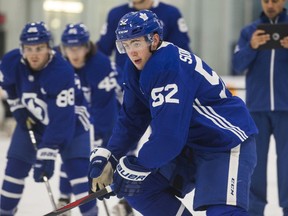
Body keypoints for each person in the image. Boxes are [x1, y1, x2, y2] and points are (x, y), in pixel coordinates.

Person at [88, 10, 258, 216]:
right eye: (125, 45)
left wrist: (140, 166)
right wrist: (111, 156)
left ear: (155, 40)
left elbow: (169, 137)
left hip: (224, 141)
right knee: (140, 189)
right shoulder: (136, 69)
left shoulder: (166, 65)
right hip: (190, 143)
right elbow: (133, 119)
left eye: (136, 43)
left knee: (222, 213)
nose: (131, 52)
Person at [0, 21, 97, 215]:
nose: (34, 54)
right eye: (28, 48)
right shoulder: (11, 61)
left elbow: (61, 120)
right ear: (22, 49)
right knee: (14, 171)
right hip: (33, 121)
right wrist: (17, 107)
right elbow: (8, 84)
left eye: (39, 48)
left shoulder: (61, 71)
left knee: (78, 176)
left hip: (72, 122)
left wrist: (47, 152)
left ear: (49, 48)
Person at [56, 23, 122, 212]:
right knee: (70, 150)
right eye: (70, 48)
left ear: (87, 47)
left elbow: (105, 110)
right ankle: (63, 197)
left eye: (78, 48)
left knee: (114, 154)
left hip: (116, 108)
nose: (74, 53)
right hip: (83, 110)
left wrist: (101, 144)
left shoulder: (100, 65)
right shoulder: (57, 62)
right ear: (63, 48)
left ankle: (125, 201)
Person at [232, 0, 288, 215]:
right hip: (257, 108)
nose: (270, 5)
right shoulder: (249, 31)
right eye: (266, 0)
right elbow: (237, 64)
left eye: (274, 0)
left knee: (287, 164)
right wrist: (251, 47)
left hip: (286, 108)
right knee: (254, 163)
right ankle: (254, 210)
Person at [97, 0, 191, 70]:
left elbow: (182, 51)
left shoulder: (171, 13)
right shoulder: (116, 14)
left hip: (161, 80)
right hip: (125, 83)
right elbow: (102, 50)